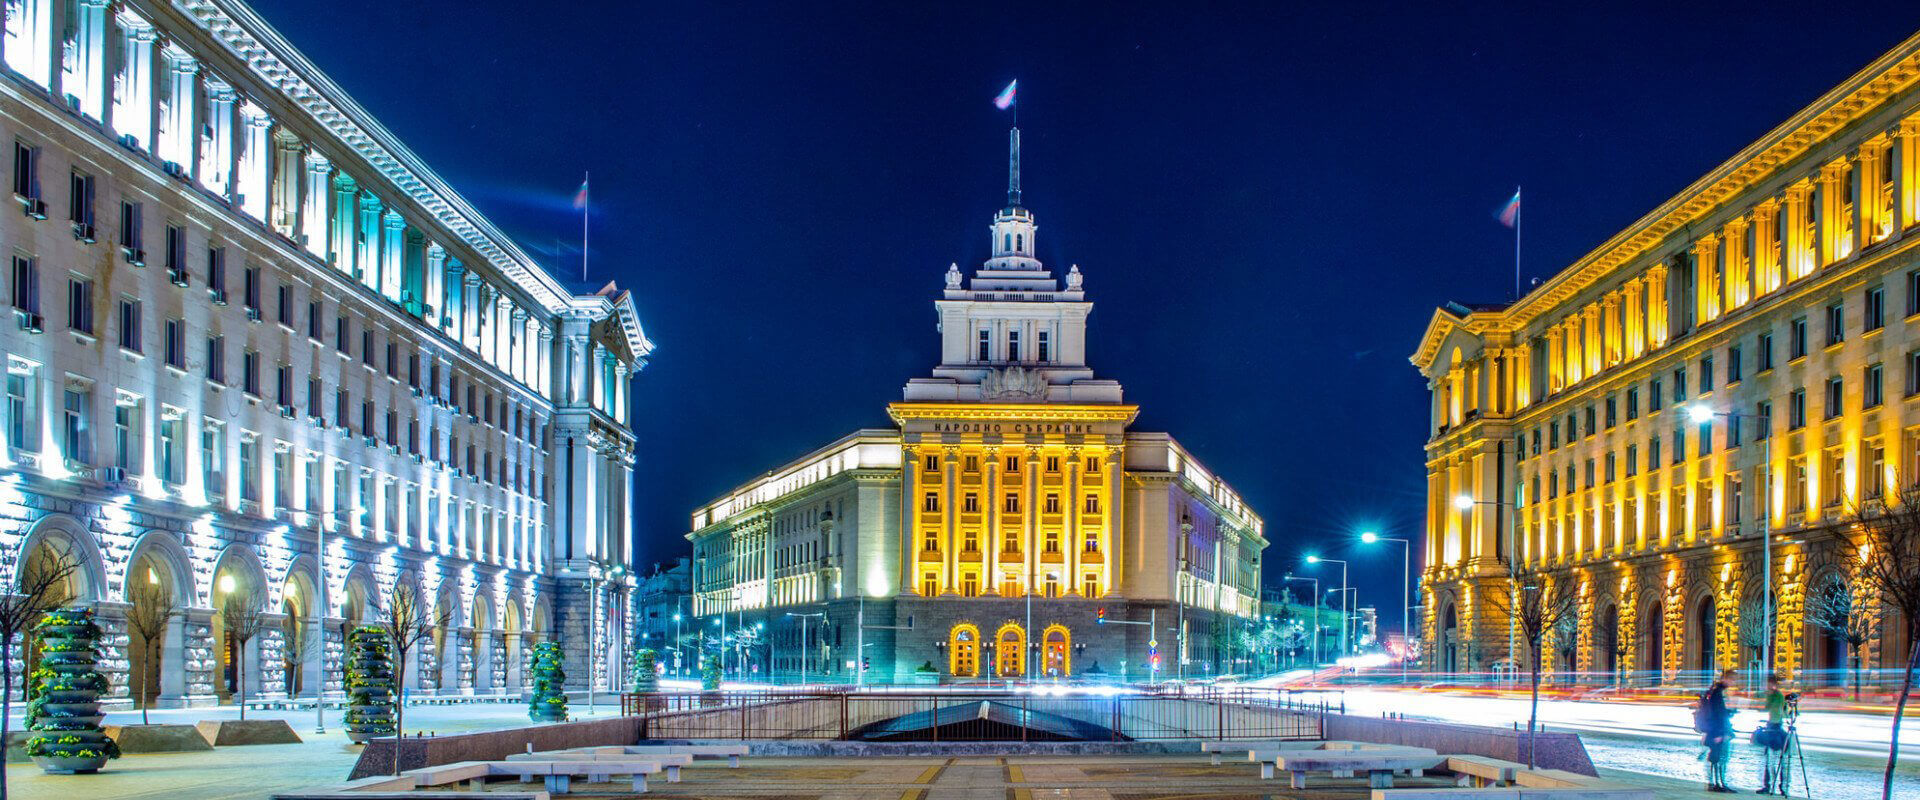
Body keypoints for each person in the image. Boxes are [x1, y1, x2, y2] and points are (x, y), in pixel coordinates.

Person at [1702, 668, 1738, 793]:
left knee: (1718, 757)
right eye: (1732, 680)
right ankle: (1718, 784)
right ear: (1725, 679)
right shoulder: (1718, 693)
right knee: (1720, 757)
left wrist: (1729, 712)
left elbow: (1719, 712)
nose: (1733, 683)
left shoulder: (1717, 691)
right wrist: (1720, 733)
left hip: (1719, 730)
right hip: (1719, 731)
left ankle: (1717, 783)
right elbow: (1716, 714)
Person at [1757, 674, 1788, 794]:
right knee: (1770, 759)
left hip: (1775, 728)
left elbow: (1768, 708)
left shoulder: (1777, 696)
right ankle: (1770, 786)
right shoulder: (1776, 695)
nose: (1767, 686)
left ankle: (1778, 786)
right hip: (1773, 726)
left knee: (1775, 760)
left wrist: (1768, 697)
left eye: (1769, 683)